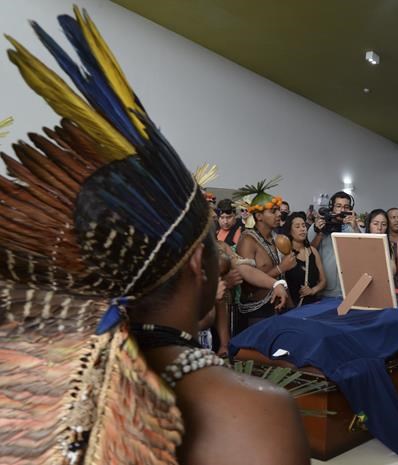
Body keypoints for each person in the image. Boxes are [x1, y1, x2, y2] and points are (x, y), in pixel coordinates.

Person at [0, 7, 309, 465]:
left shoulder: (41, 382)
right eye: (213, 252)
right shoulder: (257, 411)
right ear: (196, 265)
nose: (220, 263)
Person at [235, 178, 295, 330]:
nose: (279, 214)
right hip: (255, 314)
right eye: (273, 211)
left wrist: (292, 309)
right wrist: (281, 268)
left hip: (278, 309)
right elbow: (247, 280)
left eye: (278, 210)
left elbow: (282, 278)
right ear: (259, 216)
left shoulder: (276, 238)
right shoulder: (247, 239)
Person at [308, 191, 360, 297]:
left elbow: (361, 251)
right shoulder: (317, 226)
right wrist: (319, 233)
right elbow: (309, 252)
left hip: (348, 288)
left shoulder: (352, 227)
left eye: (346, 207)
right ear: (332, 207)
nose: (342, 210)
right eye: (338, 206)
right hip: (325, 289)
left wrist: (355, 228)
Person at [283, 212, 326, 306]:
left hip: (313, 305)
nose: (302, 229)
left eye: (303, 226)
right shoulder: (285, 254)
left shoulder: (313, 251)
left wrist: (313, 290)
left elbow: (323, 281)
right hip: (292, 307)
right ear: (289, 231)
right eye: (297, 227)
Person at [366, 209, 398, 287]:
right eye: (375, 224)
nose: (379, 228)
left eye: (384, 224)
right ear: (369, 225)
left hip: (391, 291)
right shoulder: (360, 246)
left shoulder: (395, 248)